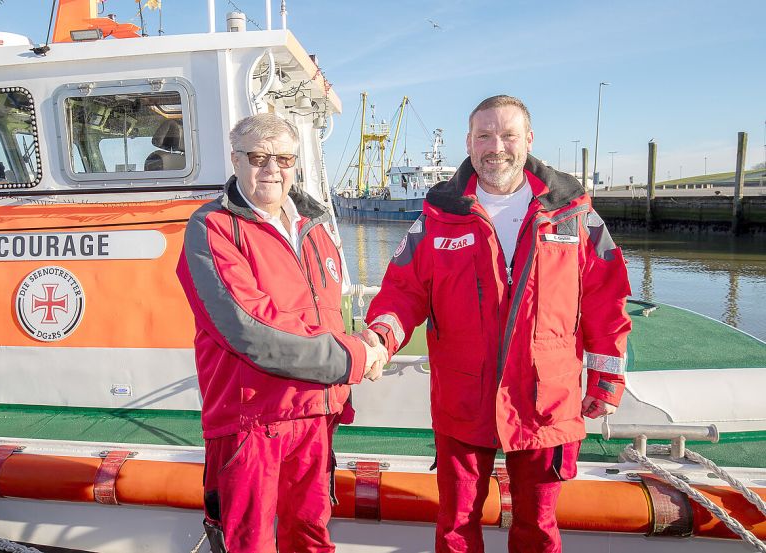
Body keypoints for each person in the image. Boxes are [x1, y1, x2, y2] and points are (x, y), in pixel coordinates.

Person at [362, 95, 632, 553]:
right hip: (464, 399)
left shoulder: (573, 214)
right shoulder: (438, 216)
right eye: (484, 135)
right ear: (468, 143)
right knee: (456, 528)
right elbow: (402, 291)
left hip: (546, 399)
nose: (496, 147)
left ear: (528, 139)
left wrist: (606, 380)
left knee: (539, 529)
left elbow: (607, 298)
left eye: (507, 134)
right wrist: (381, 336)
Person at [176, 113, 387, 553]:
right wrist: (353, 358)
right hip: (251, 420)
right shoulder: (212, 228)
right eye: (258, 156)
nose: (272, 168)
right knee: (250, 543)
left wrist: (363, 341)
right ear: (235, 160)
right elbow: (252, 329)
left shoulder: (314, 227)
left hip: (315, 415)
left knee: (311, 536)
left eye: (284, 158)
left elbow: (328, 314)